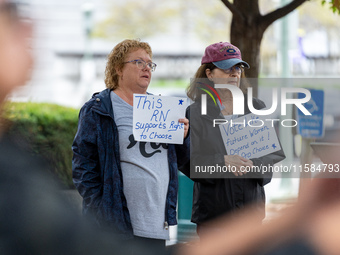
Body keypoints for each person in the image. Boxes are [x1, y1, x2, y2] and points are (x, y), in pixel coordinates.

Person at [72, 39, 190, 249]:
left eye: (150, 64)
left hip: (156, 225)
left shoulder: (162, 109)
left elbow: (181, 161)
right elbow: (83, 165)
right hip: (115, 228)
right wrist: (102, 211)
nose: (146, 68)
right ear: (118, 68)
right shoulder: (98, 109)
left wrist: (183, 137)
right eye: (138, 62)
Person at [182, 41, 285, 237]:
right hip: (213, 218)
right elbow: (189, 162)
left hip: (250, 217)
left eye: (238, 67)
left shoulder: (256, 107)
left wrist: (253, 164)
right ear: (209, 74)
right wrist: (222, 161)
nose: (235, 73)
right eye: (226, 67)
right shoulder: (194, 112)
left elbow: (272, 157)